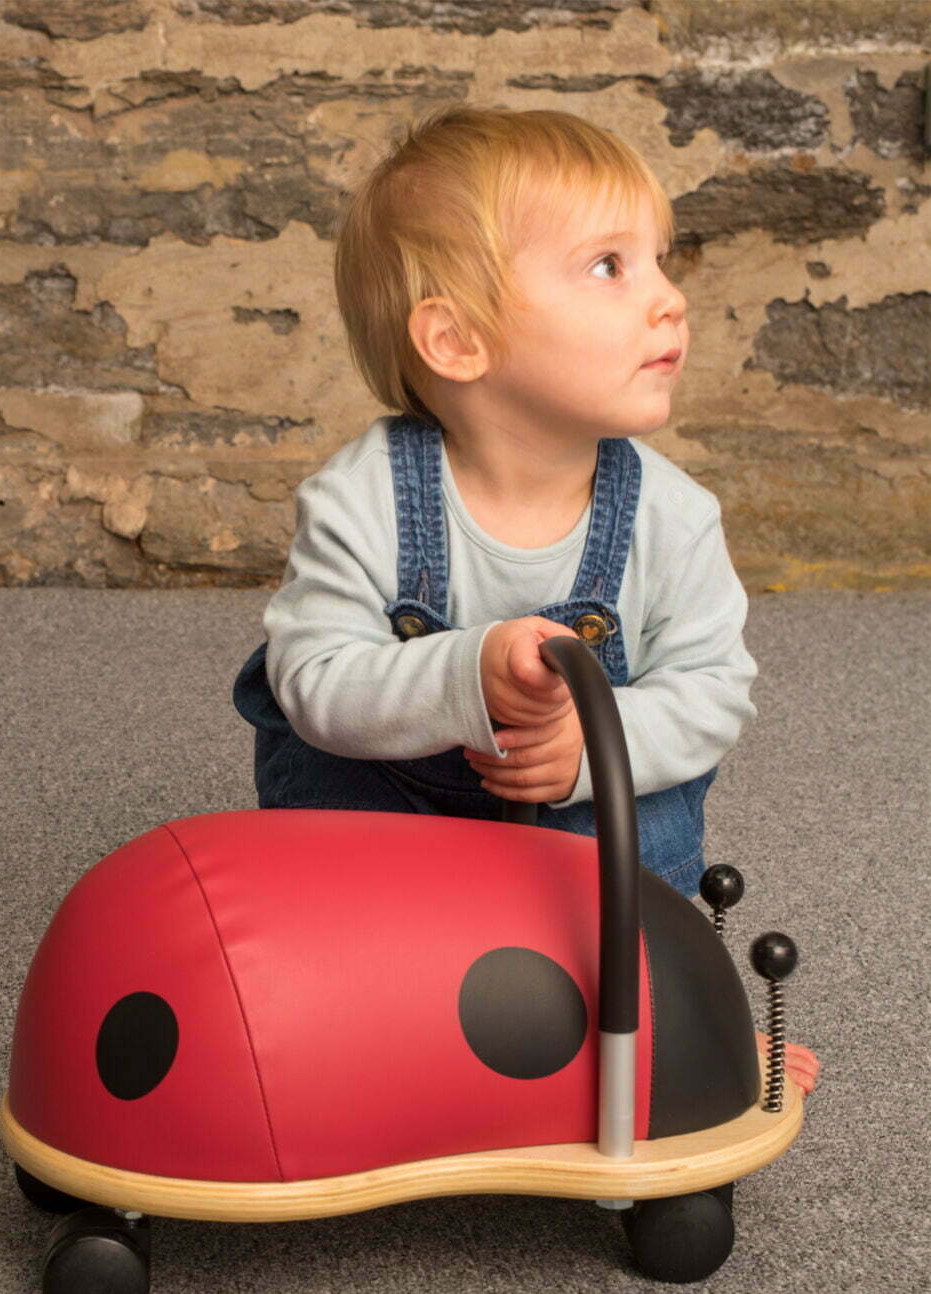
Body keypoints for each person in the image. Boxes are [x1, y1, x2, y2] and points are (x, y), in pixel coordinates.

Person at [232, 103, 819, 1095]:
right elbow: (309, 678)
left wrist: (599, 744)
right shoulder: (363, 496)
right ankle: (360, 1018)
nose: (668, 300)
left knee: (639, 873)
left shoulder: (670, 517)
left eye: (661, 261)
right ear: (456, 340)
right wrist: (465, 672)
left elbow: (715, 687)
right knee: (325, 873)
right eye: (608, 266)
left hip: (582, 822)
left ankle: (688, 1020)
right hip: (398, 810)